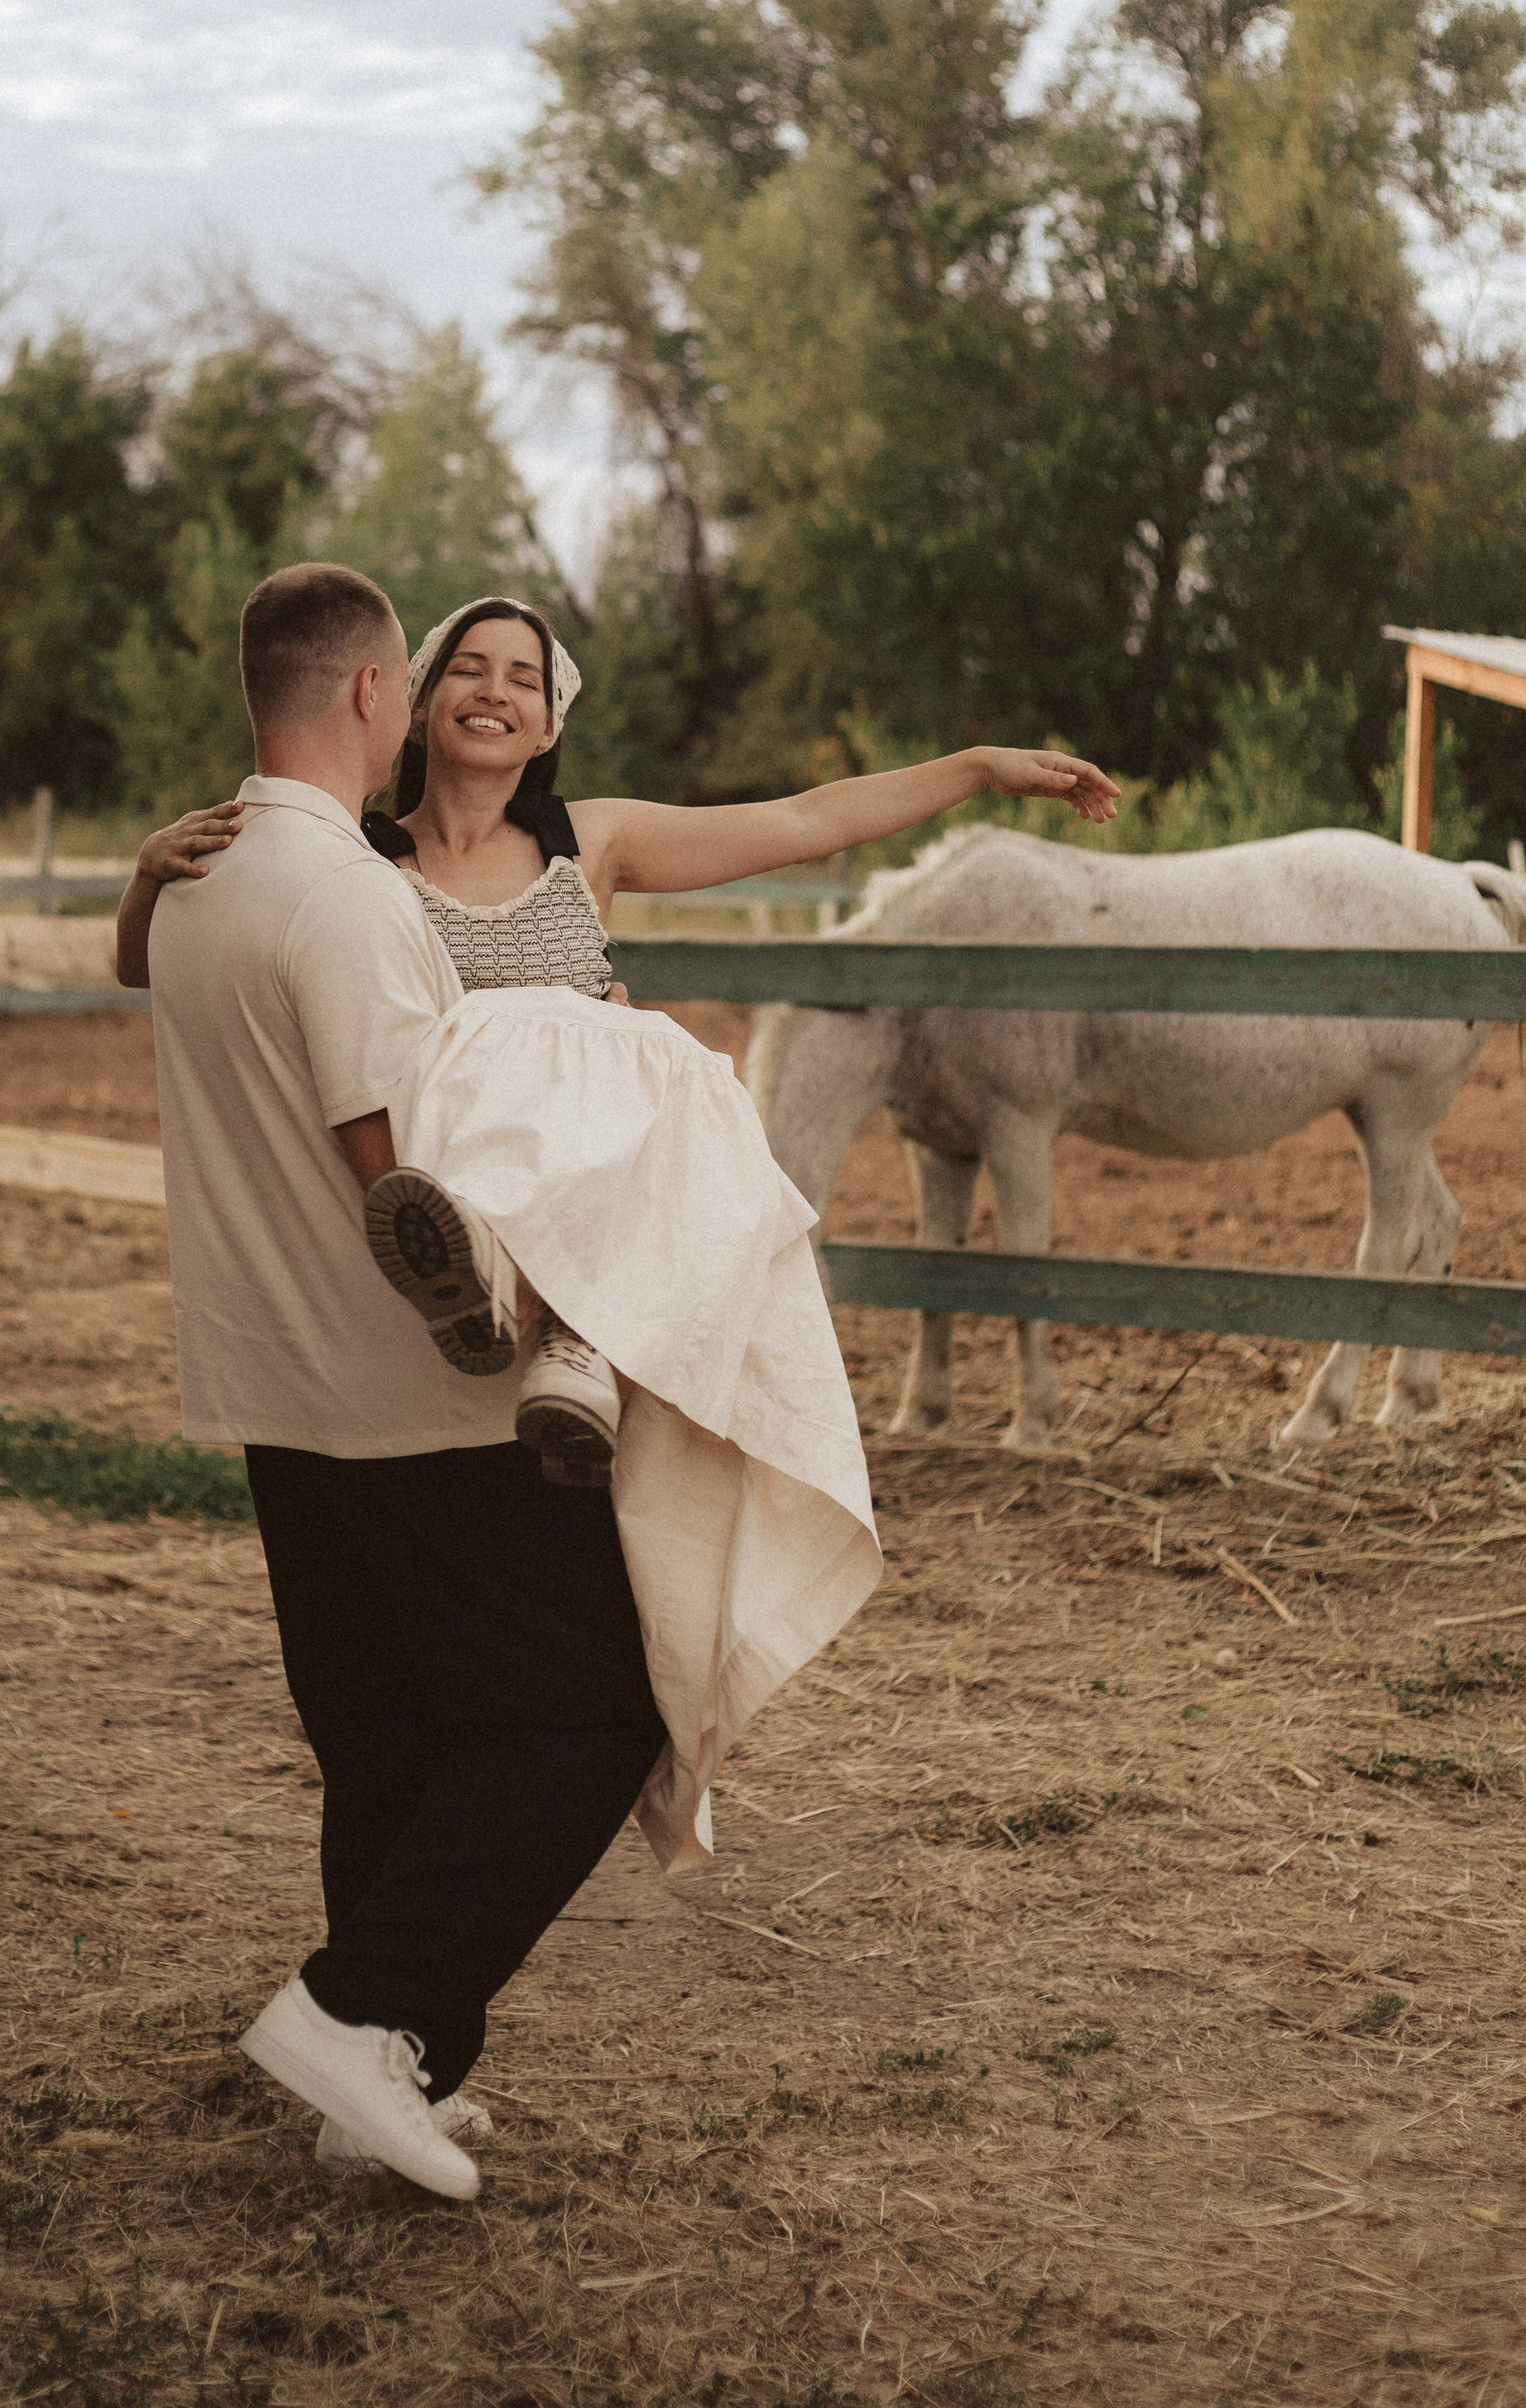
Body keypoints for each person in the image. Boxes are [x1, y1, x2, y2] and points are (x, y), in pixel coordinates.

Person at [123, 562, 671, 2207]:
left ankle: (390, 2067)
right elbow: (397, 1166)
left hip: (262, 1380)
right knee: (587, 1707)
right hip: (408, 1398)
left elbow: (142, 970)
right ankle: (355, 2012)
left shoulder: (200, 876)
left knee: (384, 1737)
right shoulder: (356, 900)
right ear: (377, 692)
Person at [132, 591, 1120, 1491]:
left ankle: (578, 1343)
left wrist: (978, 769)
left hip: (582, 1199)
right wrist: (147, 880)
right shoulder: (358, 864)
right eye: (469, 668)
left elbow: (804, 818)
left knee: (642, 1048)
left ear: (551, 721)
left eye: (525, 677)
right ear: (415, 700)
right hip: (452, 1183)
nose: (494, 691)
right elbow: (187, 956)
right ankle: (478, 1283)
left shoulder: (590, 843)